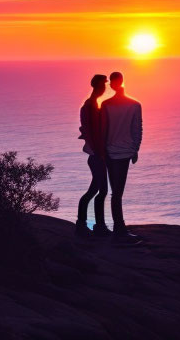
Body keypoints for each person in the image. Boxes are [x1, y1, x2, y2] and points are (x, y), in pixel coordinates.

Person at [102, 71, 143, 244]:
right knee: (118, 193)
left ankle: (118, 229)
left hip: (110, 152)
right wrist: (135, 150)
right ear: (123, 82)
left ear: (111, 84)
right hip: (125, 152)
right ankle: (119, 231)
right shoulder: (134, 105)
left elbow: (103, 130)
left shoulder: (105, 104)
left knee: (115, 193)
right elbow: (137, 130)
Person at [76, 74, 110, 237]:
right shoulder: (90, 106)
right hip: (97, 155)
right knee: (99, 190)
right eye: (103, 86)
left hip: (97, 154)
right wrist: (100, 153)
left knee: (97, 190)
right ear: (97, 87)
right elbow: (92, 132)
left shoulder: (92, 105)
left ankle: (87, 224)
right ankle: (96, 226)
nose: (104, 89)